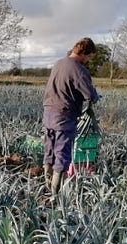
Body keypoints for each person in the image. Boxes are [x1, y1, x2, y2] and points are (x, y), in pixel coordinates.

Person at [42, 37, 100, 195]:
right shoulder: (79, 70)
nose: (88, 60)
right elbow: (89, 94)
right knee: (62, 152)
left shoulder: (59, 63)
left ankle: (45, 184)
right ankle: (55, 192)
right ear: (84, 53)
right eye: (89, 57)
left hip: (48, 112)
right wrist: (95, 95)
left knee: (49, 149)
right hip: (64, 115)